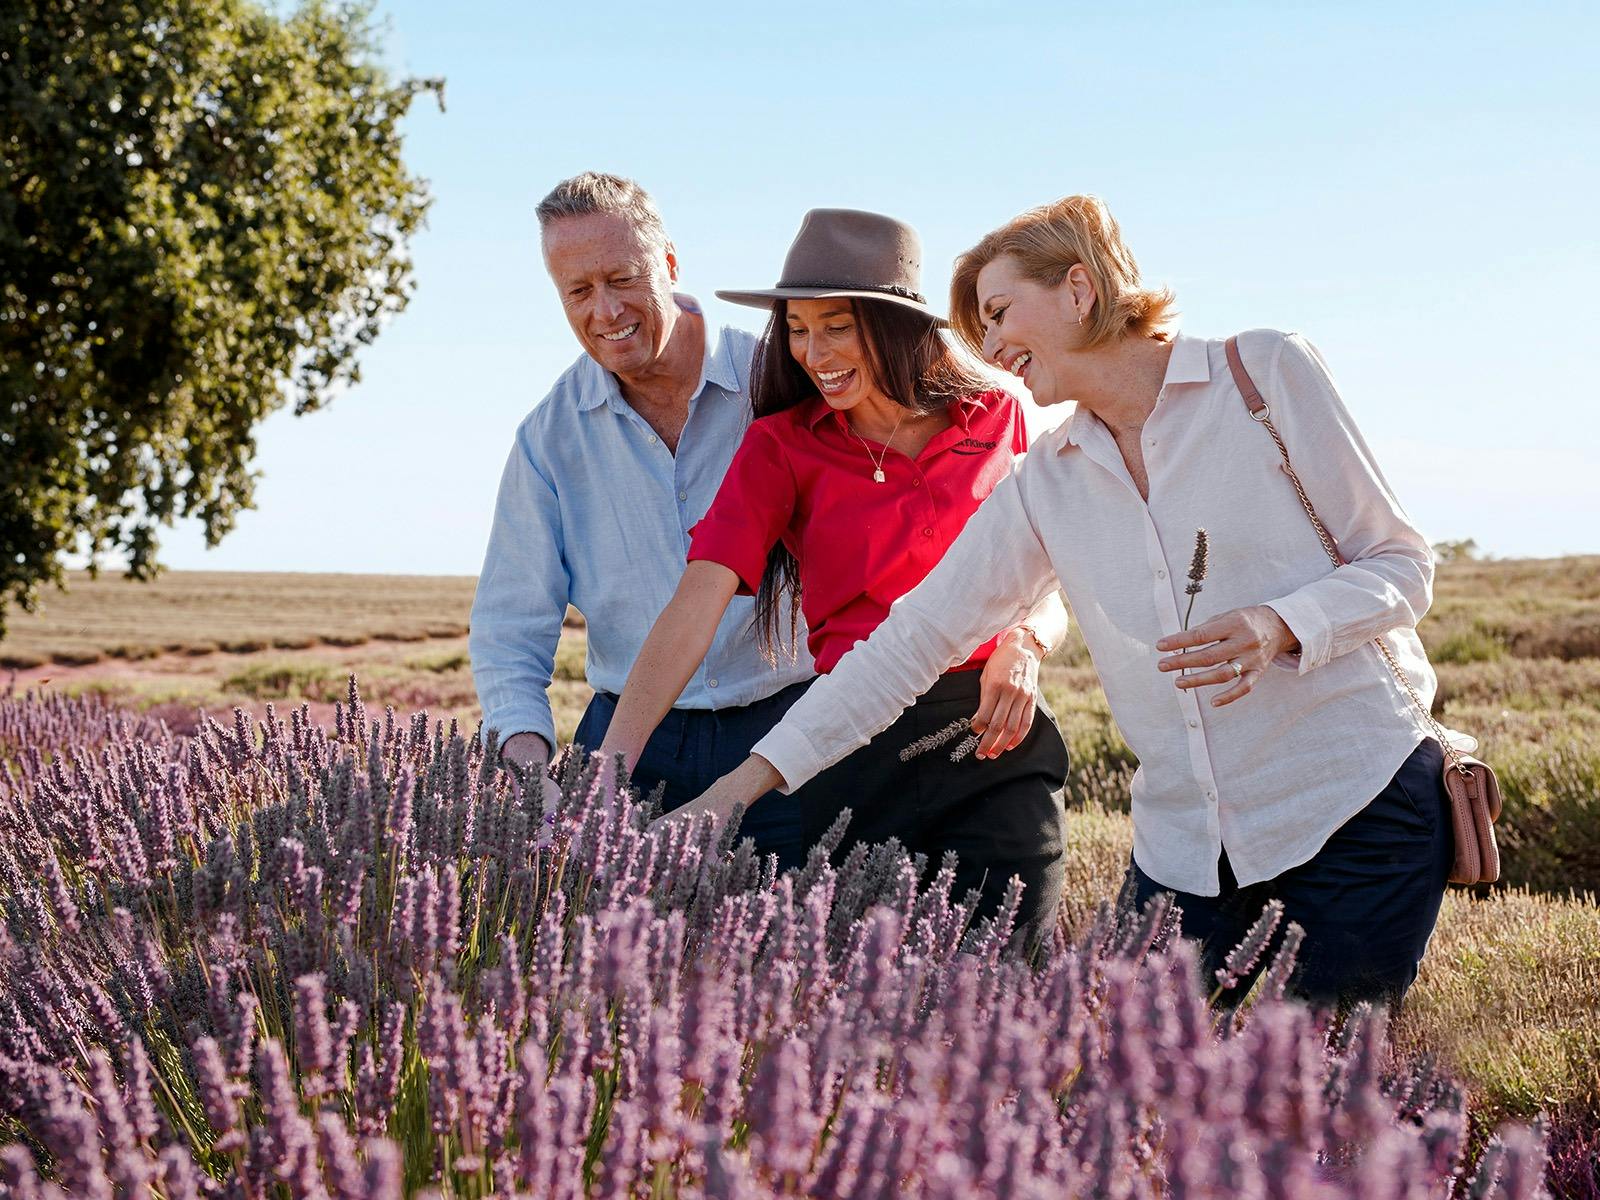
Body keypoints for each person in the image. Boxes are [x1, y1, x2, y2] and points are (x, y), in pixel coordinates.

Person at [676, 195, 1455, 1007]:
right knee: (1120, 1087)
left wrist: (1279, 624)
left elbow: (1403, 564)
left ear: (1080, 290)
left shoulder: (1263, 374)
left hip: (1357, 804)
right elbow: (907, 646)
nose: (988, 347)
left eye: (1001, 312)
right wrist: (735, 791)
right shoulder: (1046, 479)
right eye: (978, 326)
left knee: (1312, 1095)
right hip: (1186, 846)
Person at [597, 209, 1071, 944]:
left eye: (837, 327)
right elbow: (697, 603)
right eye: (797, 328)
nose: (813, 352)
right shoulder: (779, 448)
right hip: (850, 745)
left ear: (895, 325)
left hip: (991, 737)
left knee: (1010, 995)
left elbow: (1047, 579)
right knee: (868, 1015)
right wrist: (606, 771)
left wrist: (1025, 642)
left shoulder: (998, 416)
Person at [469, 172, 814, 866]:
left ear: (671, 265)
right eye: (577, 291)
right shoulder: (548, 438)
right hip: (631, 744)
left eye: (622, 278)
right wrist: (531, 769)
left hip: (792, 723)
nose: (604, 311)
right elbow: (509, 629)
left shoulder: (780, 382)